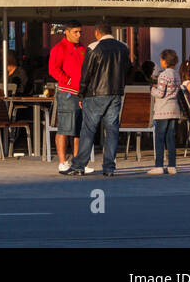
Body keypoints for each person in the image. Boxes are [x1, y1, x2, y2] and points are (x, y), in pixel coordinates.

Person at [63, 20, 130, 177]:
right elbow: (127, 69)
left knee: (88, 130)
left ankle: (79, 166)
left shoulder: (93, 48)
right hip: (116, 93)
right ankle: (109, 167)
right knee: (112, 130)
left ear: (97, 33)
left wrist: (81, 93)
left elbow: (86, 73)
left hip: (96, 93)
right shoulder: (124, 48)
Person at [49, 21, 87, 173]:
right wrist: (68, 80)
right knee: (65, 127)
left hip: (81, 93)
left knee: (78, 128)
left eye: (80, 32)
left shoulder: (83, 48)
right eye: (76, 32)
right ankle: (62, 161)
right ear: (67, 32)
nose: (79, 35)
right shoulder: (59, 48)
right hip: (66, 92)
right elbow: (53, 69)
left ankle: (77, 162)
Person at [149, 49, 180, 175]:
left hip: (163, 110)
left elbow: (160, 93)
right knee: (170, 138)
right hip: (174, 109)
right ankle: (172, 165)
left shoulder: (163, 75)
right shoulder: (177, 74)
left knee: (159, 138)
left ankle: (159, 166)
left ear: (165, 61)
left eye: (161, 59)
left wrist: (152, 89)